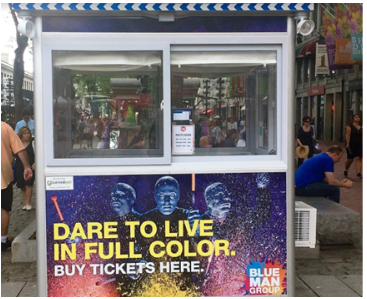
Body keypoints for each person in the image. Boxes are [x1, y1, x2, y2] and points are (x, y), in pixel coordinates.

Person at [200, 174, 272, 296]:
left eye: (226, 195)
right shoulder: (197, 224)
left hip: (235, 286)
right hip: (206, 288)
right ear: (208, 201)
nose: (226, 199)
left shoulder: (238, 221)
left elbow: (262, 213)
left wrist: (262, 187)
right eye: (219, 196)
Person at [1, 121, 33, 252]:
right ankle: (2, 240)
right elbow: (20, 149)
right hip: (3, 177)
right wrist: (27, 167)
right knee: (4, 208)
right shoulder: (4, 127)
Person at [15, 127, 35, 210]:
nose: (27, 135)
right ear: (21, 134)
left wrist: (35, 164)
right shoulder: (17, 144)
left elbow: (37, 154)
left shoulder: (33, 144)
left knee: (28, 184)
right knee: (22, 185)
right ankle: (25, 201)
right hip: (19, 166)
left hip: (30, 166)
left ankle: (28, 203)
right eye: (25, 133)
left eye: (28, 133)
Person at [344, 114, 363, 179]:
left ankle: (358, 173)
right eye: (356, 117)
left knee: (359, 158)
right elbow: (348, 135)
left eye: (358, 117)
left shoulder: (361, 127)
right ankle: (346, 169)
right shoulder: (350, 127)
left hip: (359, 144)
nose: (357, 118)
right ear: (353, 118)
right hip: (351, 144)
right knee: (350, 159)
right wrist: (347, 144)